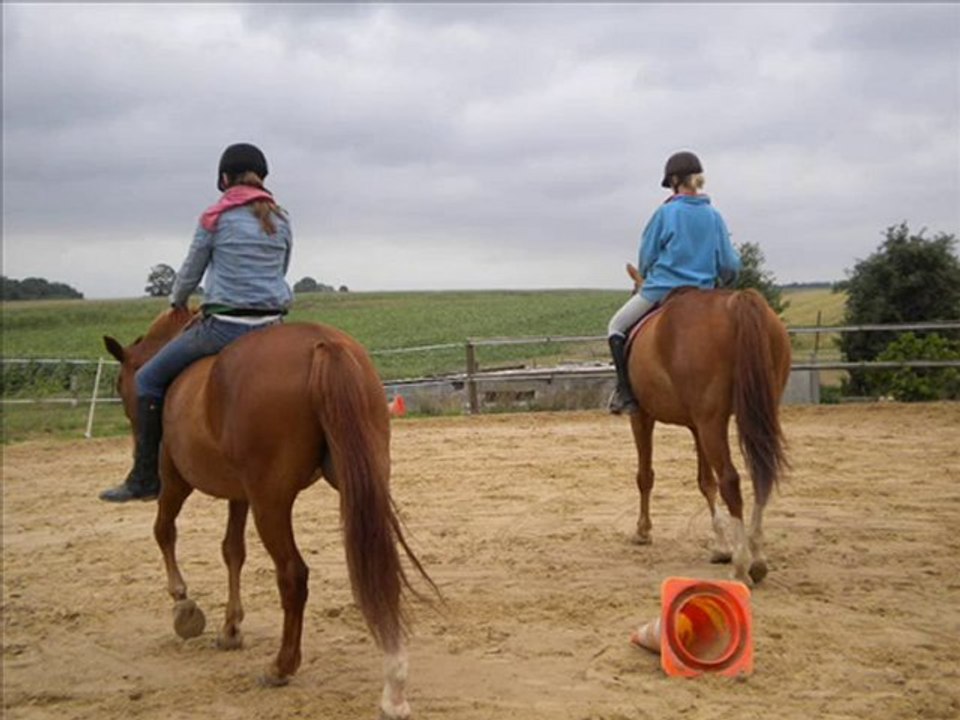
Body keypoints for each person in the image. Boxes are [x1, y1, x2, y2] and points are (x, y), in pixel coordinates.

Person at [100, 143, 294, 502]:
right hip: (274, 326)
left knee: (147, 379)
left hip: (224, 326)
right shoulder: (282, 219)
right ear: (262, 178)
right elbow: (280, 271)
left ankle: (145, 478)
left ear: (224, 179)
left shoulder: (214, 218)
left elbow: (191, 270)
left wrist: (177, 300)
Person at [606, 150, 741, 415]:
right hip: (704, 293)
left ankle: (626, 393)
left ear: (676, 180)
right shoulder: (714, 216)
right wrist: (720, 284)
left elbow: (646, 257)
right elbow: (730, 265)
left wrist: (645, 276)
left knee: (616, 326)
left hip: (661, 290)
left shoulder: (666, 213)